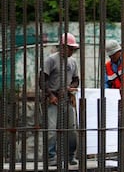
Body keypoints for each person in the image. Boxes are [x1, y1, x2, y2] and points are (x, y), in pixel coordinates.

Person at [40, 32, 79, 166]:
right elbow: (42, 80)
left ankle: (70, 156)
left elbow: (76, 80)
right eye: (70, 48)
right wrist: (50, 95)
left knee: (71, 130)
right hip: (53, 98)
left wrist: (71, 88)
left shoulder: (73, 62)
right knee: (51, 130)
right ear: (62, 47)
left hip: (66, 98)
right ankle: (51, 157)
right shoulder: (51, 60)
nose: (72, 51)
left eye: (73, 48)